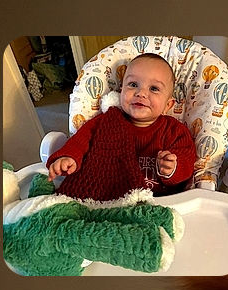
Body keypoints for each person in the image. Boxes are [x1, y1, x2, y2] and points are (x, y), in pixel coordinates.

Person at [47, 53, 197, 201]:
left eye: (154, 88)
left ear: (168, 105)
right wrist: (69, 157)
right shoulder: (106, 122)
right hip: (108, 196)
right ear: (121, 91)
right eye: (133, 85)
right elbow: (79, 142)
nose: (141, 93)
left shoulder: (175, 131)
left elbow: (187, 163)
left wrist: (172, 168)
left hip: (157, 202)